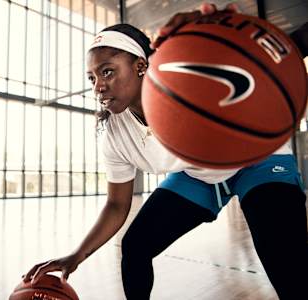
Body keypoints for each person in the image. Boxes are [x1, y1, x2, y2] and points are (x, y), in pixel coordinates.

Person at [24, 3, 308, 299]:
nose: (99, 87)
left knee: (288, 269)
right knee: (135, 247)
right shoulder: (114, 133)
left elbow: (270, 59)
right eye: (92, 78)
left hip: (257, 162)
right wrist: (77, 255)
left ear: (140, 66)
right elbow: (117, 205)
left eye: (107, 72)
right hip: (198, 177)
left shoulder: (188, 79)